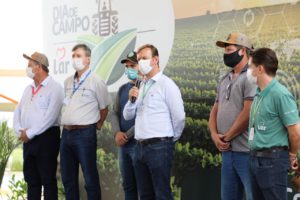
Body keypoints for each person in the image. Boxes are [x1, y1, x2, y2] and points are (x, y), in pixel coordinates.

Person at [123, 44, 185, 200]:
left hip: (159, 147)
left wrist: (170, 139)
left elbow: (179, 117)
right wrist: (131, 101)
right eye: (139, 59)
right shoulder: (140, 85)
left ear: (155, 59)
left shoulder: (166, 84)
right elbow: (127, 115)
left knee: (162, 194)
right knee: (145, 195)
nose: (140, 62)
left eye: (144, 58)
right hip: (139, 147)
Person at [247, 48, 300, 200]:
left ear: (260, 68)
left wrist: (291, 155)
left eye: (250, 67)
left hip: (273, 161)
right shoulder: (259, 93)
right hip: (254, 159)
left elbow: (295, 132)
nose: (248, 71)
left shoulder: (280, 94)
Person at [208, 33, 256, 200]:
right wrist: (215, 135)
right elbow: (215, 109)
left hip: (246, 153)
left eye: (229, 49)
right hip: (228, 153)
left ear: (243, 51)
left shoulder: (251, 76)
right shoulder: (224, 78)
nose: (226, 54)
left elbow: (249, 112)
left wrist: (227, 137)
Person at [60, 44, 110, 200]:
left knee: (90, 179)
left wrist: (98, 124)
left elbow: (104, 109)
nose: (75, 59)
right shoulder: (68, 81)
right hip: (66, 134)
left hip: (85, 134)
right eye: (73, 55)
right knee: (68, 179)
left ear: (88, 59)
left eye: (79, 55)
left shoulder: (96, 81)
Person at [13, 52, 64, 200]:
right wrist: (20, 130)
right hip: (28, 139)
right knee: (32, 180)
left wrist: (30, 133)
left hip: (47, 138)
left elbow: (50, 117)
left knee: (47, 180)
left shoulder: (55, 88)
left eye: (29, 65)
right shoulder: (28, 89)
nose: (27, 68)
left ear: (39, 67)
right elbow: (18, 111)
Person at [111, 51, 140, 200]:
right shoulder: (122, 89)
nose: (129, 69)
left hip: (138, 144)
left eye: (132, 65)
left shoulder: (145, 88)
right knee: (128, 186)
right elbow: (115, 112)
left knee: (143, 187)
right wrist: (117, 133)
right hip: (123, 146)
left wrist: (126, 135)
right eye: (127, 66)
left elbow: (143, 118)